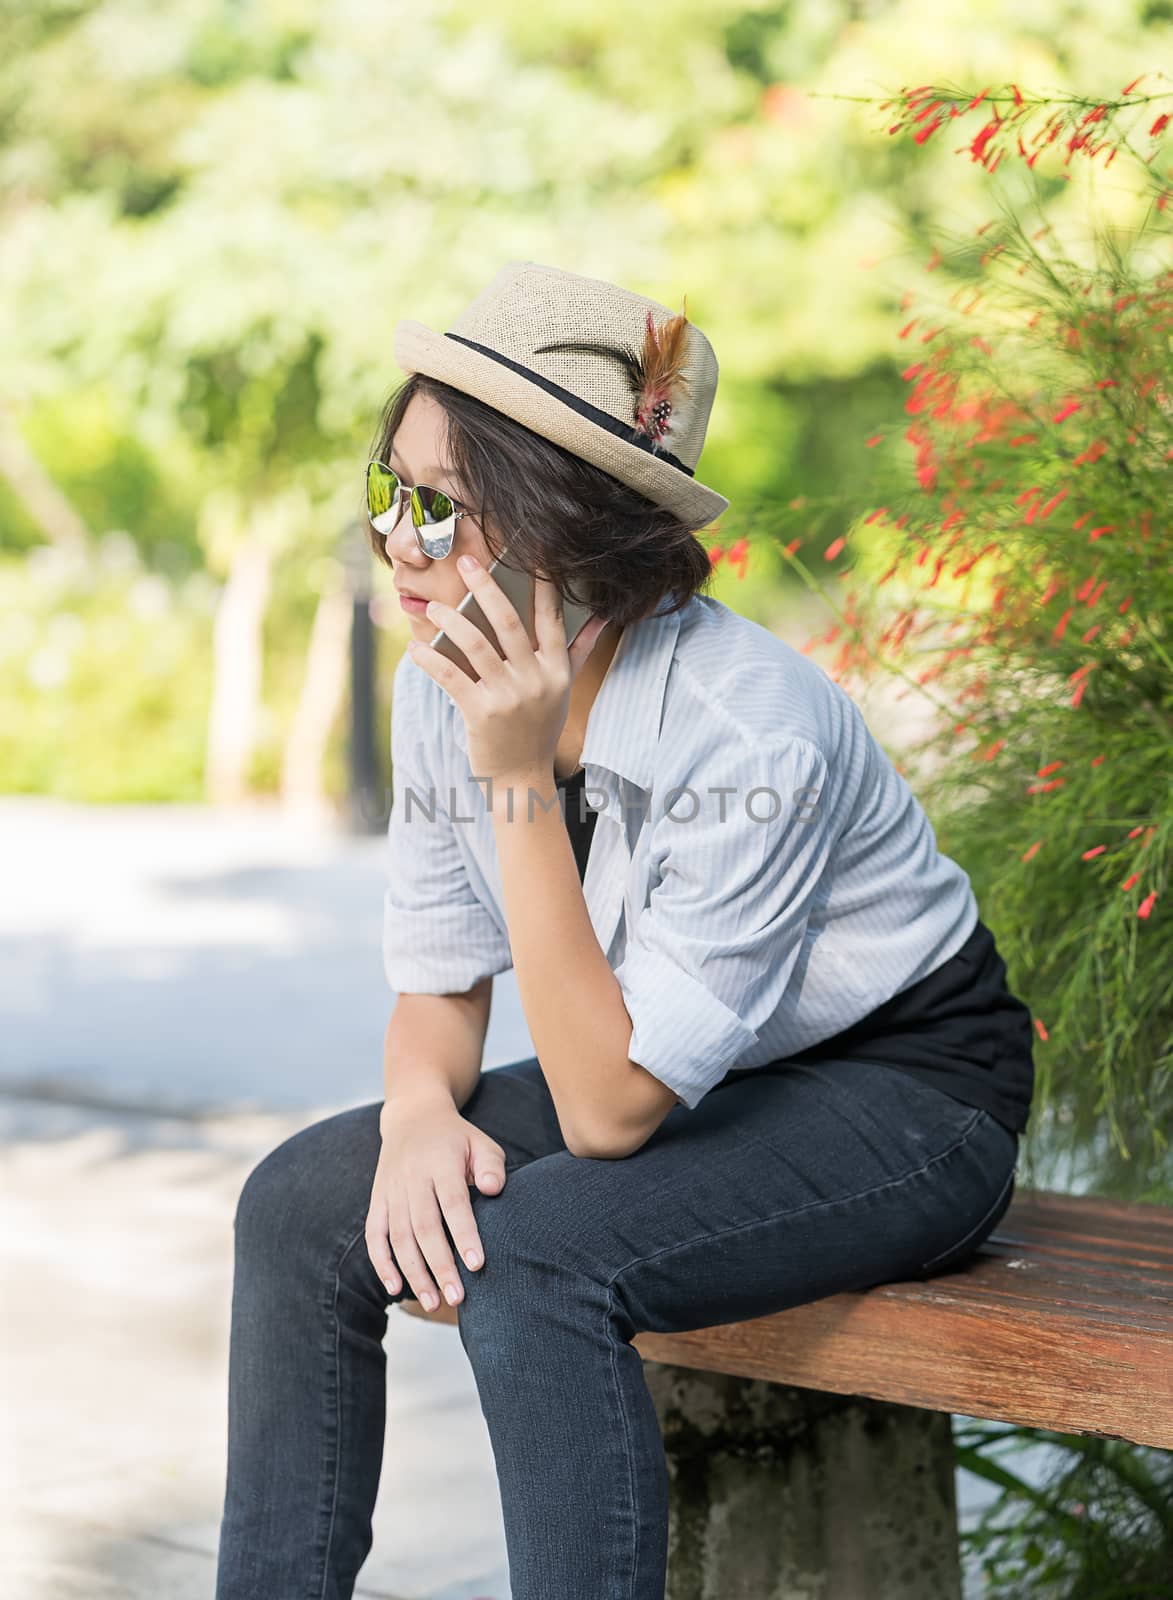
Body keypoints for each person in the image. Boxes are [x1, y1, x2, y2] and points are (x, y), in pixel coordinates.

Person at [214, 261, 1034, 1600]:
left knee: (538, 1252)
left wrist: (519, 778)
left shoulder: (749, 722)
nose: (398, 545)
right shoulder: (446, 683)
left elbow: (604, 1117)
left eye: (445, 509)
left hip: (904, 1100)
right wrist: (420, 1113)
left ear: (570, 531)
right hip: (689, 1077)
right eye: (389, 490)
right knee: (302, 1204)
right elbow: (438, 991)